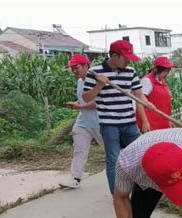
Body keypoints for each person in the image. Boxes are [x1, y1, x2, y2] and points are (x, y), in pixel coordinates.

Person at [83, 40, 154, 195]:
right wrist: (99, 85)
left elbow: (138, 96)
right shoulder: (95, 73)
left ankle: (143, 192)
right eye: (125, 57)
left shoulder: (130, 72)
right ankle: (118, 196)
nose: (128, 61)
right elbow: (87, 98)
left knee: (141, 157)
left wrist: (146, 119)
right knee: (114, 161)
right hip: (109, 125)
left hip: (130, 123)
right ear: (114, 56)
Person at [59, 54, 104, 189]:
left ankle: (125, 177)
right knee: (79, 150)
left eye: (76, 67)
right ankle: (75, 178)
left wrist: (80, 106)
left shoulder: (98, 81)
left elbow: (99, 102)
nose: (73, 71)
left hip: (99, 122)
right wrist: (77, 104)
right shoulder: (80, 82)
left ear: (86, 66)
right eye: (71, 68)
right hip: (83, 122)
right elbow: (83, 99)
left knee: (111, 152)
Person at [136, 56, 175, 130]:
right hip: (152, 125)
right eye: (164, 71)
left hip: (162, 124)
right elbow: (139, 100)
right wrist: (145, 122)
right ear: (156, 69)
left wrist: (169, 119)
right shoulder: (147, 81)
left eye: (168, 71)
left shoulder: (162, 81)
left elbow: (165, 103)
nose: (166, 73)